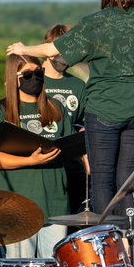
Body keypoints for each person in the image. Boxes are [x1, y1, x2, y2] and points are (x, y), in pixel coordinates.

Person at [8, 0, 134, 217]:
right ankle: (128, 239)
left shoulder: (95, 23)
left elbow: (53, 50)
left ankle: (108, 240)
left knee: (102, 179)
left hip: (103, 110)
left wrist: (23, 49)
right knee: (128, 180)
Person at [0, 54, 74, 258]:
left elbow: (69, 144)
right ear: (15, 77)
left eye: (39, 73)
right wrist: (30, 161)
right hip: (18, 205)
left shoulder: (56, 107)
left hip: (55, 202)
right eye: (28, 74)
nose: (35, 79)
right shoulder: (0, 110)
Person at [41, 24, 89, 214]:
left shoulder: (77, 85)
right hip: (43, 162)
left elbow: (83, 123)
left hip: (72, 163)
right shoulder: (34, 81)